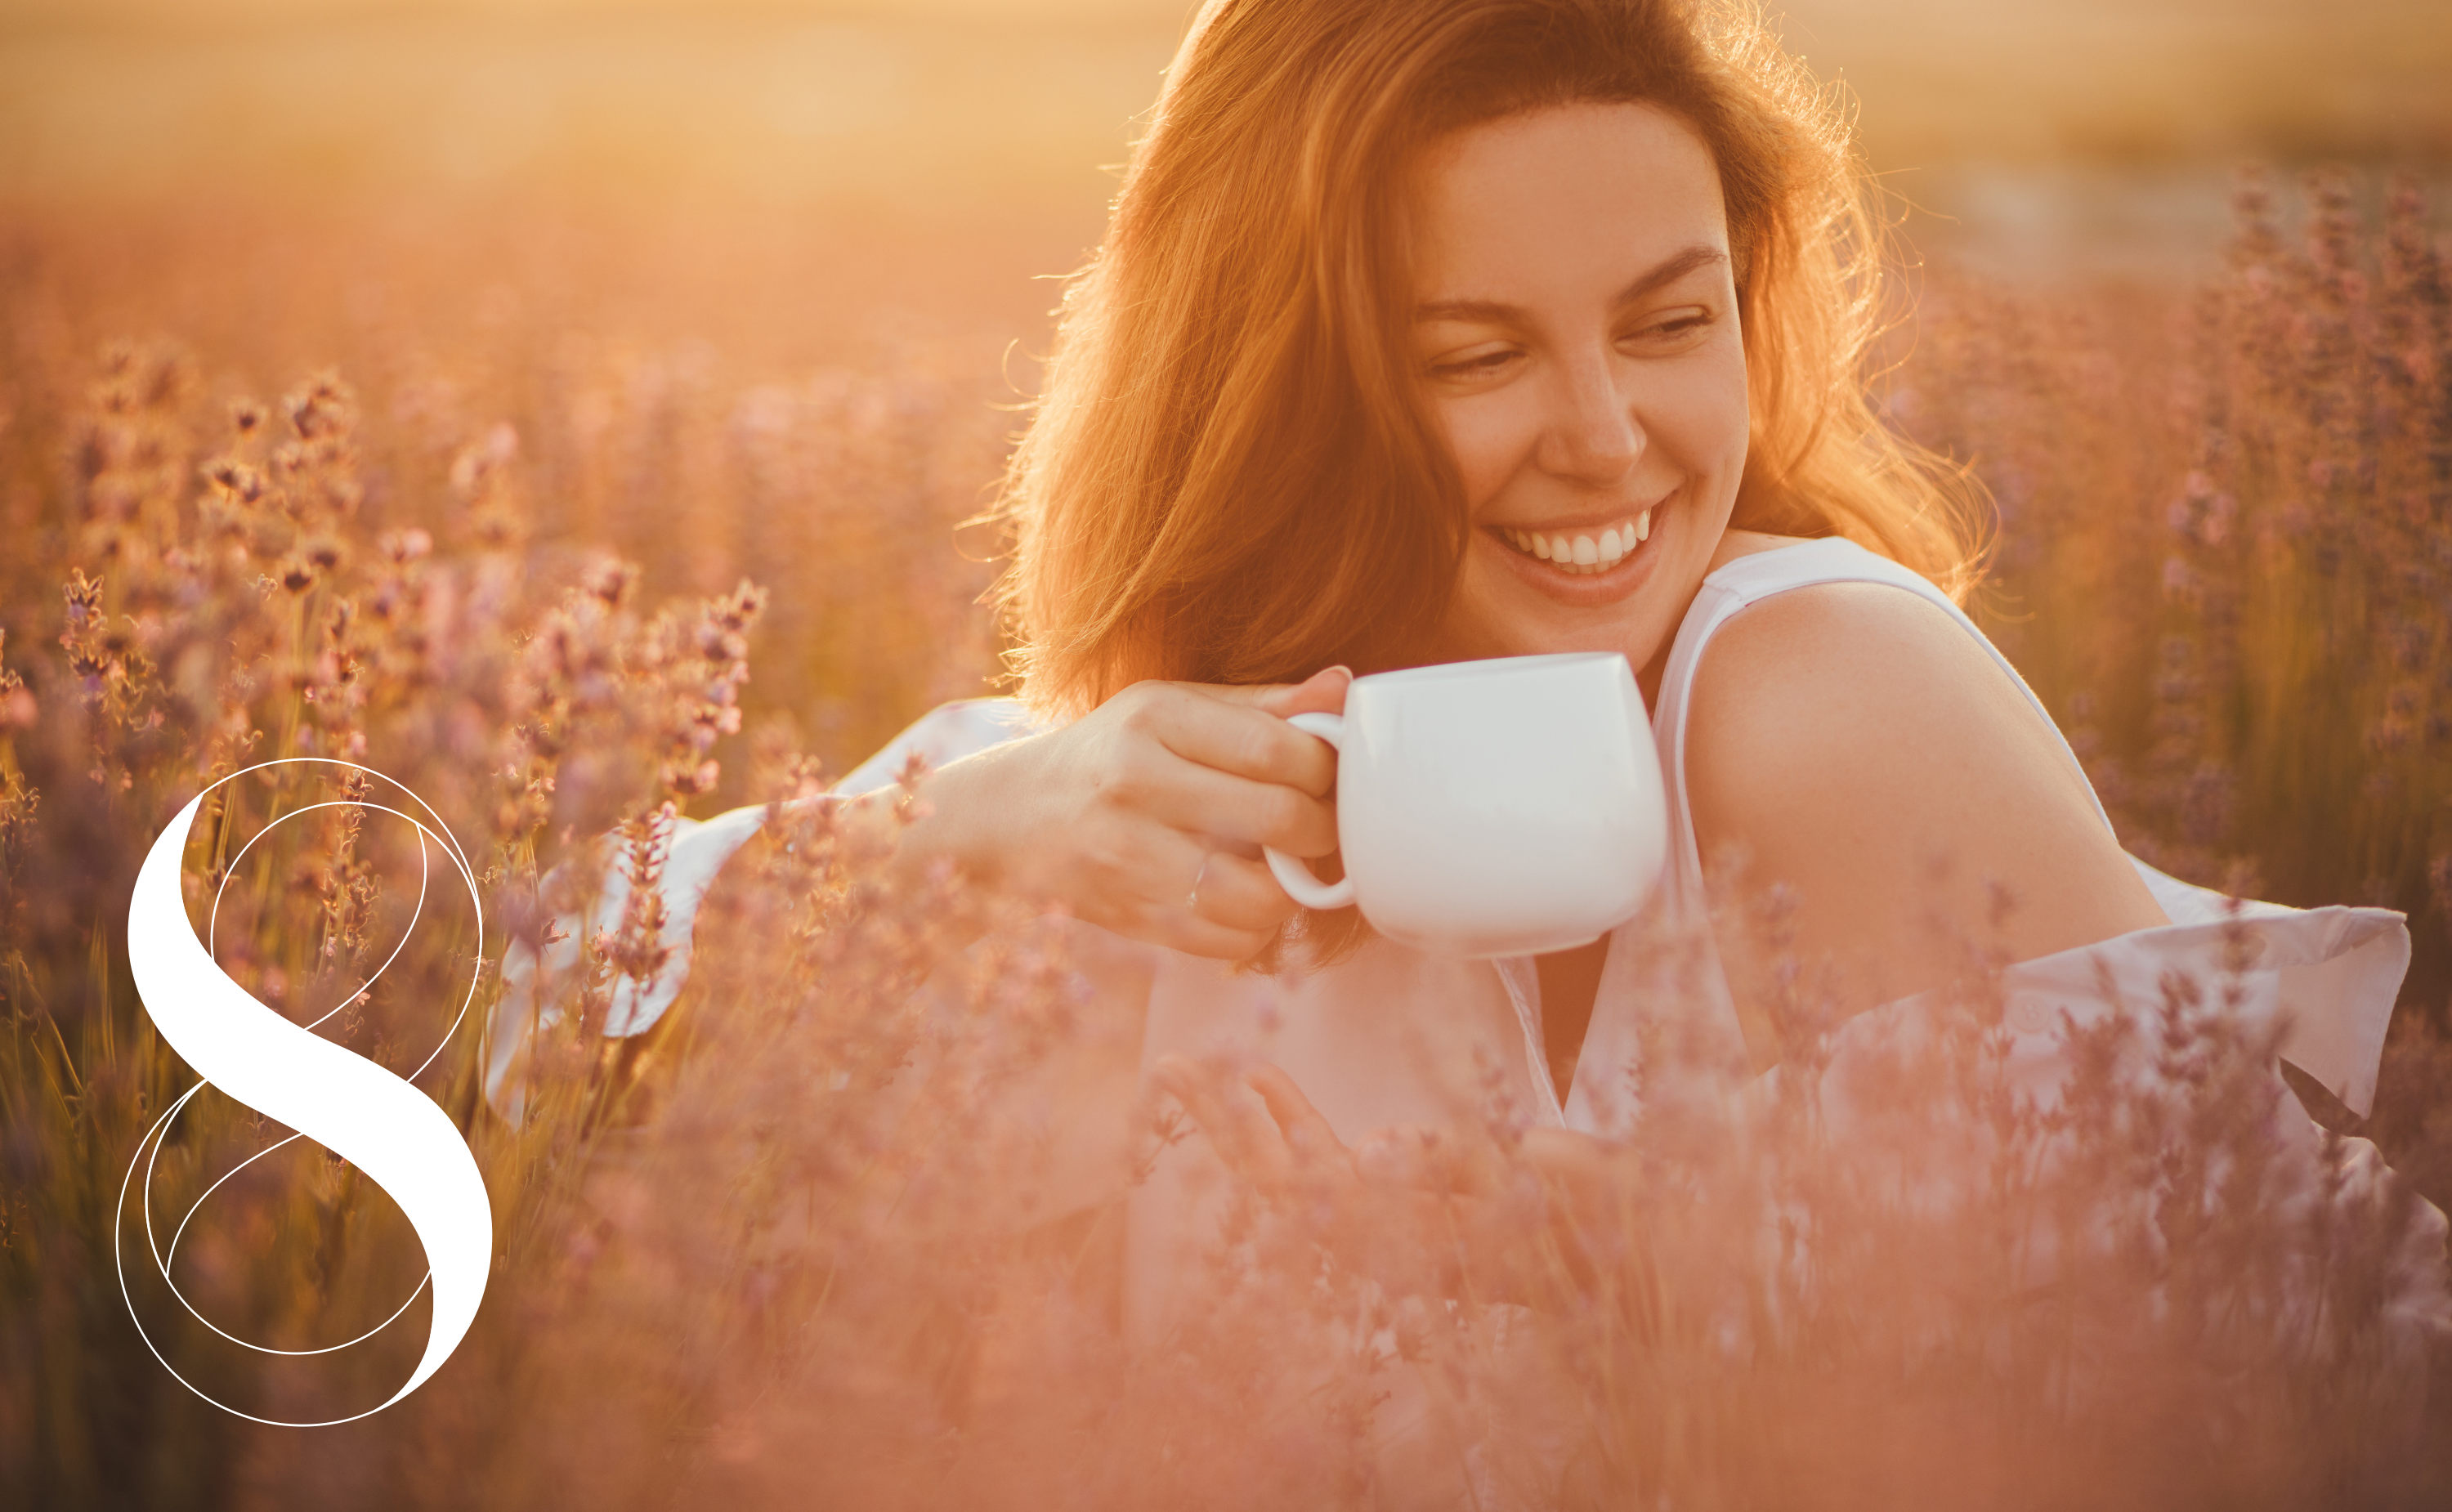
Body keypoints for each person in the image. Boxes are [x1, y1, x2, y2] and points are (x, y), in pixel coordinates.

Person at [484, 0, 2439, 1497]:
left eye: (1667, 324)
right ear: (1277, 390)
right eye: (1479, 355)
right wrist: (953, 828)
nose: (1606, 436)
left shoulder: (1815, 692)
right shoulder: (1134, 793)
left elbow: (2301, 1377)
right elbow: (509, 1067)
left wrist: (1644, 1265)